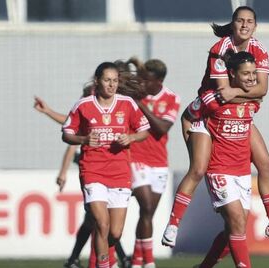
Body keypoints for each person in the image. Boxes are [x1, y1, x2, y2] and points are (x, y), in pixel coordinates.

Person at [162, 5, 269, 249]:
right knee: (198, 168)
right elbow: (222, 95)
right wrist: (246, 94)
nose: (245, 25)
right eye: (240, 21)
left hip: (235, 113)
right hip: (208, 112)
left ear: (255, 26)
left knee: (266, 164)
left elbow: (261, 89)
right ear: (233, 24)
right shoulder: (220, 49)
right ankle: (173, 224)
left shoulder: (260, 49)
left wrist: (236, 91)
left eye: (249, 21)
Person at [62, 62, 150, 268]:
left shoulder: (127, 103)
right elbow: (67, 134)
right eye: (107, 80)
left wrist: (131, 137)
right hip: (92, 172)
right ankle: (104, 265)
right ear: (97, 81)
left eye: (115, 81)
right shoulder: (83, 105)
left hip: (119, 173)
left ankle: (104, 259)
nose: (111, 85)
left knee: (115, 232)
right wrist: (83, 140)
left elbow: (144, 131)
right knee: (102, 223)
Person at [34, 85, 132, 268]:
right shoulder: (85, 114)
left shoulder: (110, 113)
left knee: (100, 224)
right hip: (92, 173)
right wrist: (63, 172)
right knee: (101, 223)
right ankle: (109, 260)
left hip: (112, 174)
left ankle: (78, 259)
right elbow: (70, 139)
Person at [196, 50, 260, 268]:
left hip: (242, 171)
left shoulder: (254, 100)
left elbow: (259, 94)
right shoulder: (213, 99)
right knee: (237, 222)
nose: (252, 78)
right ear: (232, 74)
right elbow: (193, 111)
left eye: (254, 73)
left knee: (234, 227)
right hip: (219, 169)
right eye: (246, 74)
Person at [128, 59, 180, 268]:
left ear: (158, 81)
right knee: (146, 205)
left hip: (159, 162)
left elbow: (162, 128)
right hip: (136, 158)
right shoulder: (135, 93)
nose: (142, 84)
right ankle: (149, 262)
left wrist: (141, 104)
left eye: (146, 80)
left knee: (147, 214)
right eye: (140, 79)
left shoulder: (171, 98)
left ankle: (135, 260)